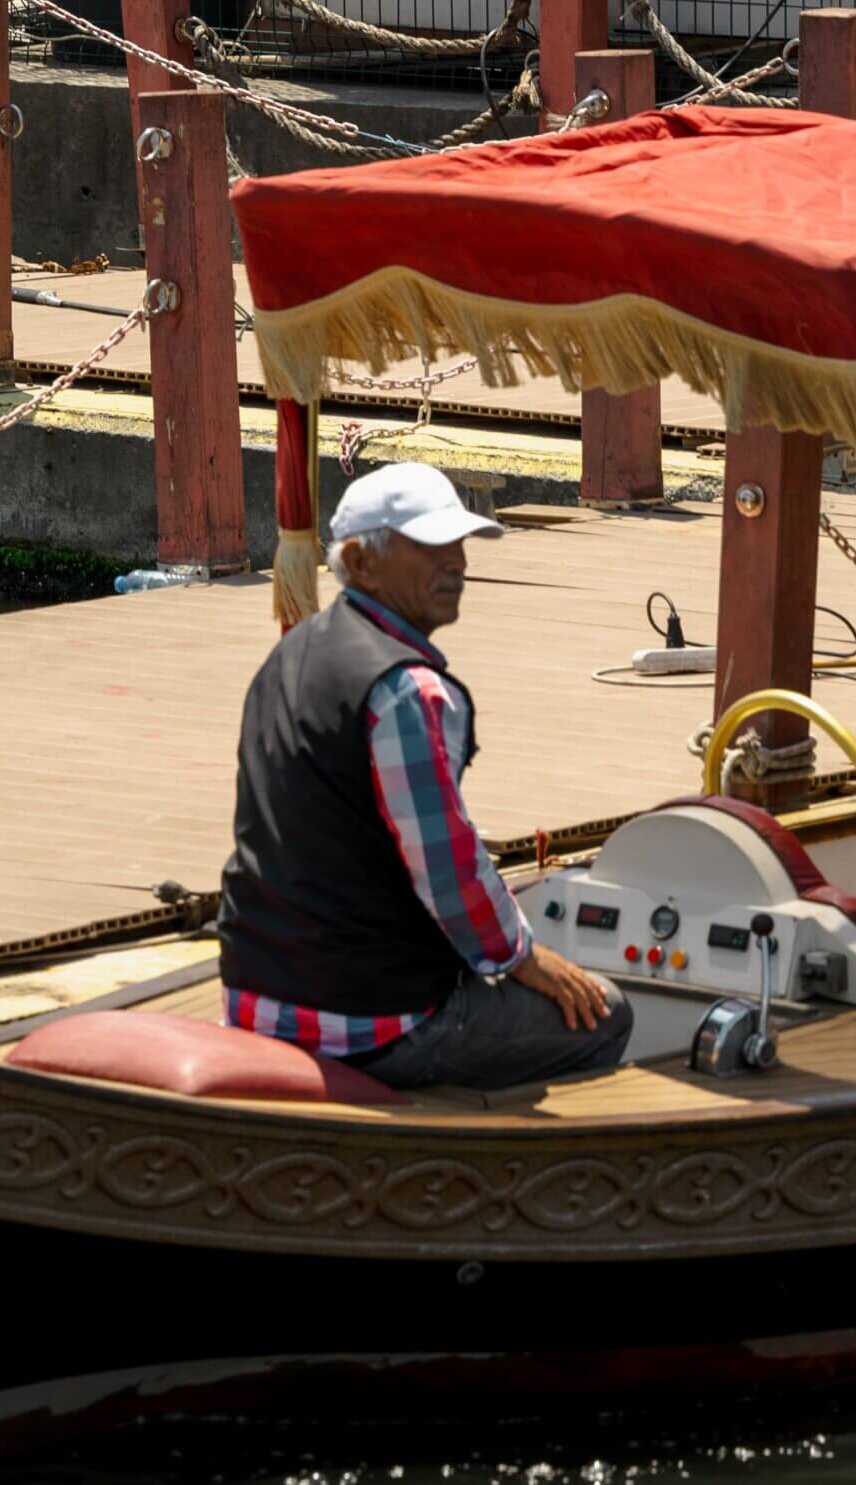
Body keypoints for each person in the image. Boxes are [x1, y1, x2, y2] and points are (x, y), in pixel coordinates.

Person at [218, 462, 633, 1091]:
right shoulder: (406, 691)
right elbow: (448, 871)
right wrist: (521, 957)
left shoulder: (289, 653)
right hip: (372, 1020)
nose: (457, 563)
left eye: (458, 545)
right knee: (605, 1014)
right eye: (432, 547)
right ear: (361, 563)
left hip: (256, 993)